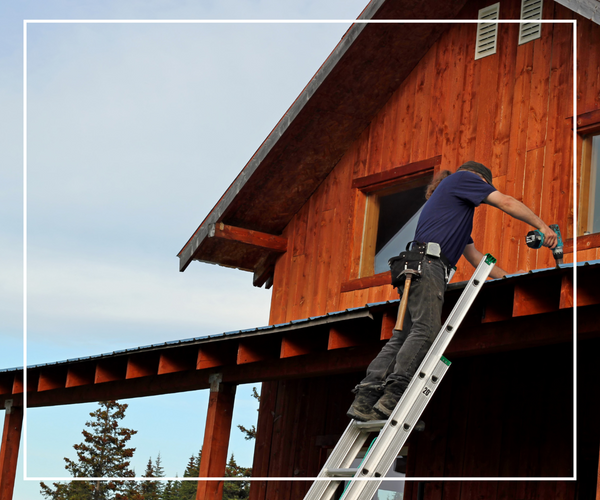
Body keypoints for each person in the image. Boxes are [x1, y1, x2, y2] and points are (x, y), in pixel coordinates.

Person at [347, 161, 558, 422]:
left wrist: (511, 279)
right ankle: (394, 396)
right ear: (480, 179)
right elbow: (506, 202)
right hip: (429, 265)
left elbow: (475, 257)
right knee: (426, 330)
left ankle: (365, 399)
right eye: (485, 187)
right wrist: (543, 226)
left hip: (414, 265)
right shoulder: (464, 179)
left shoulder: (452, 214)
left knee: (402, 336)